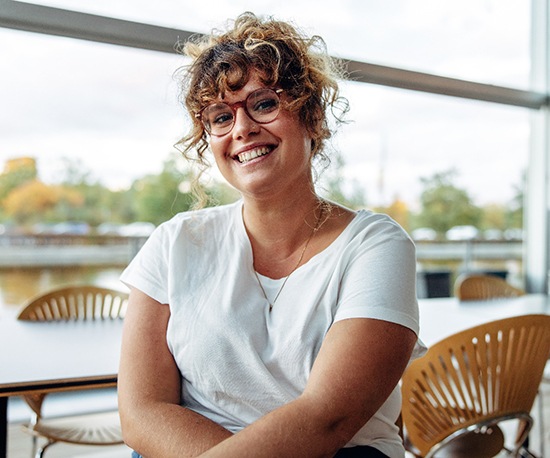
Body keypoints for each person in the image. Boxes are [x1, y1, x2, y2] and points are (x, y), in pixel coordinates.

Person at [118, 12, 425, 458]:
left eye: (263, 104)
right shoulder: (174, 242)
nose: (241, 128)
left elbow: (327, 419)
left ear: (312, 117)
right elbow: (142, 413)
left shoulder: (375, 245)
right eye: (220, 116)